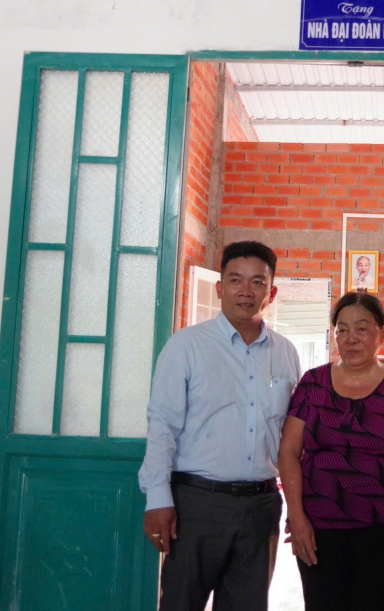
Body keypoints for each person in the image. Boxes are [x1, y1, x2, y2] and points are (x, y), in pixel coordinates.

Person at [138, 240, 301, 611]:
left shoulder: (286, 353)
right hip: (196, 505)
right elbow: (162, 425)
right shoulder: (186, 346)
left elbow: (292, 439)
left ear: (272, 292)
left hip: (261, 507)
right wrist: (158, 499)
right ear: (219, 287)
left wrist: (297, 504)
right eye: (235, 280)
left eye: (257, 282)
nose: (246, 291)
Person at [279, 292, 384, 611]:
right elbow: (289, 451)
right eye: (342, 329)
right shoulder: (313, 384)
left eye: (361, 328)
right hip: (318, 525)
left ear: (382, 334)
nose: (351, 338)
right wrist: (296, 515)